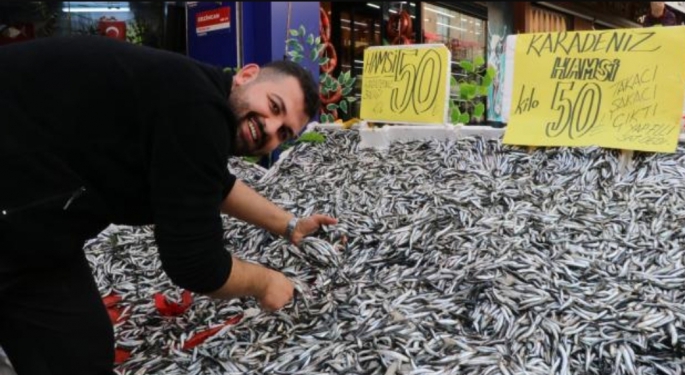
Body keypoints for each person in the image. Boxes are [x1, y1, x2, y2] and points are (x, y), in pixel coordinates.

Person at [0, 35, 336, 374]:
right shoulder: (197, 107)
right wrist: (266, 283)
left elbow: (212, 184)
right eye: (274, 106)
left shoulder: (196, 100)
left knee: (79, 353)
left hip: (34, 230)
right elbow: (195, 263)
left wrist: (289, 225)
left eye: (284, 133)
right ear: (246, 75)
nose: (270, 128)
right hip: (17, 205)